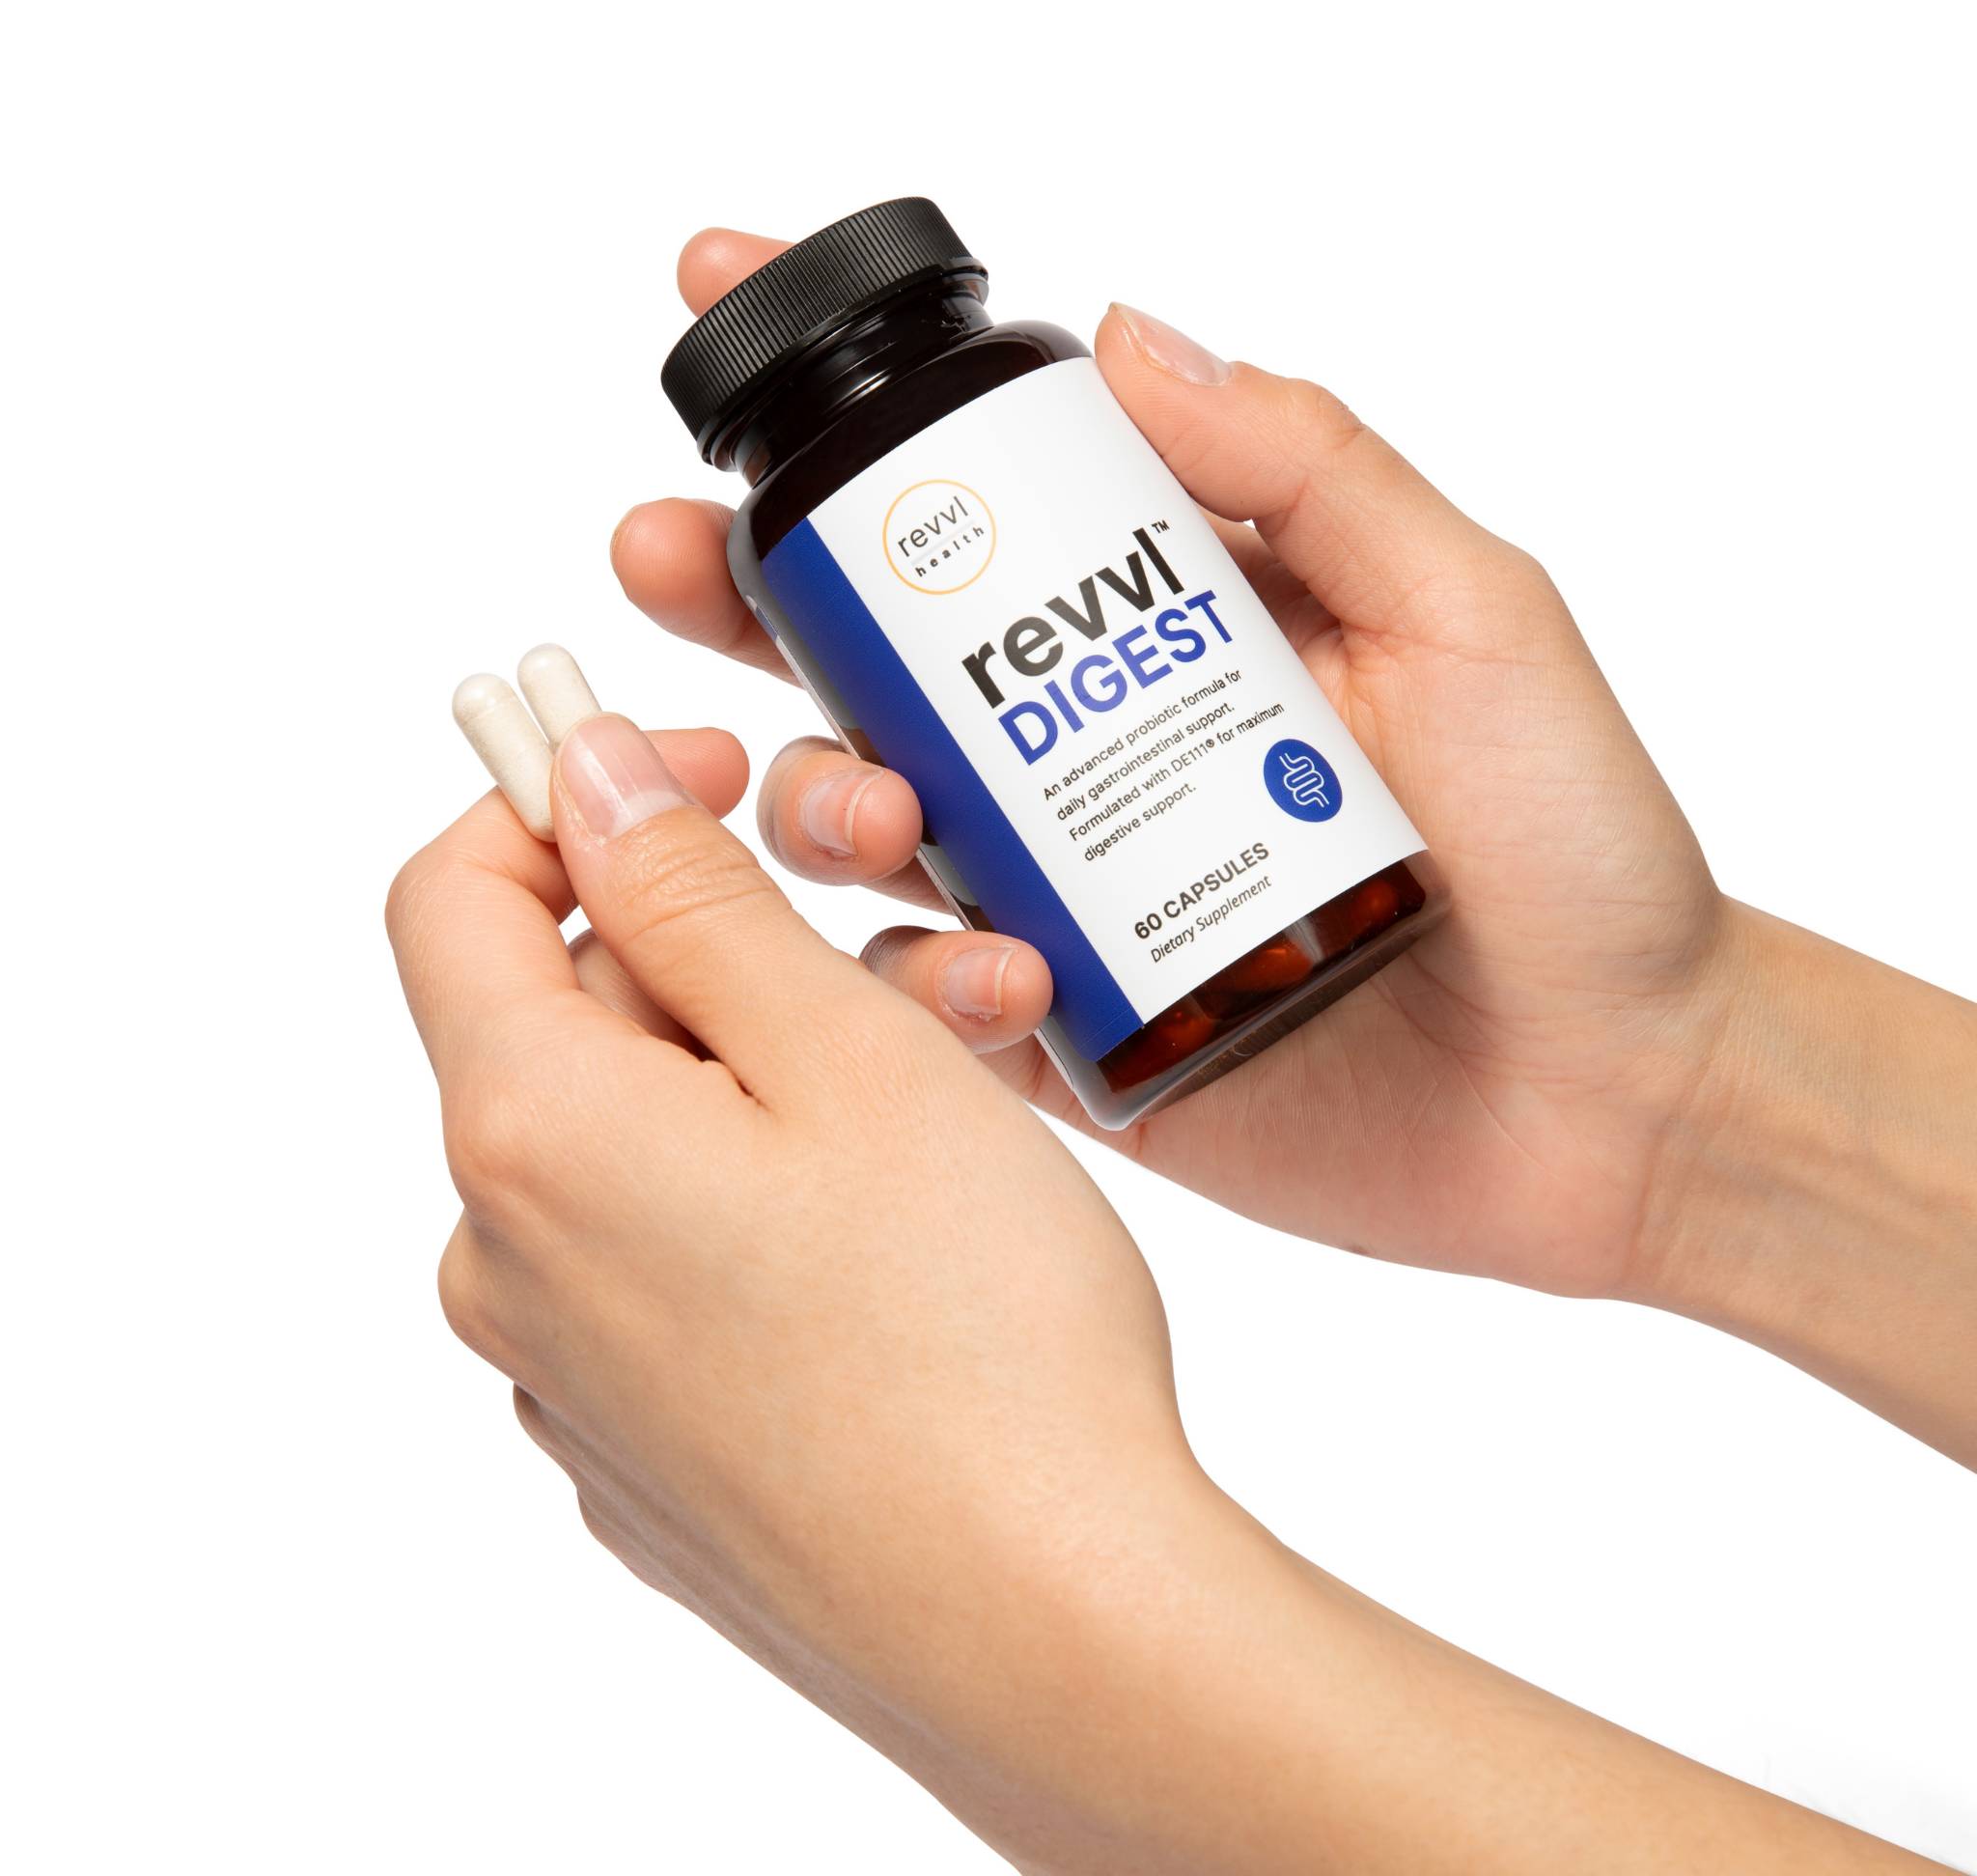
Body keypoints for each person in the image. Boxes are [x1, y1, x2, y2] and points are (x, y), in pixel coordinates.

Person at [387, 228, 1977, 1873]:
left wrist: (995, 1619)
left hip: (1318, 877)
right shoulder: (831, 508)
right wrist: (1676, 1091)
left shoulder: (1023, 379)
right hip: (1220, 970)